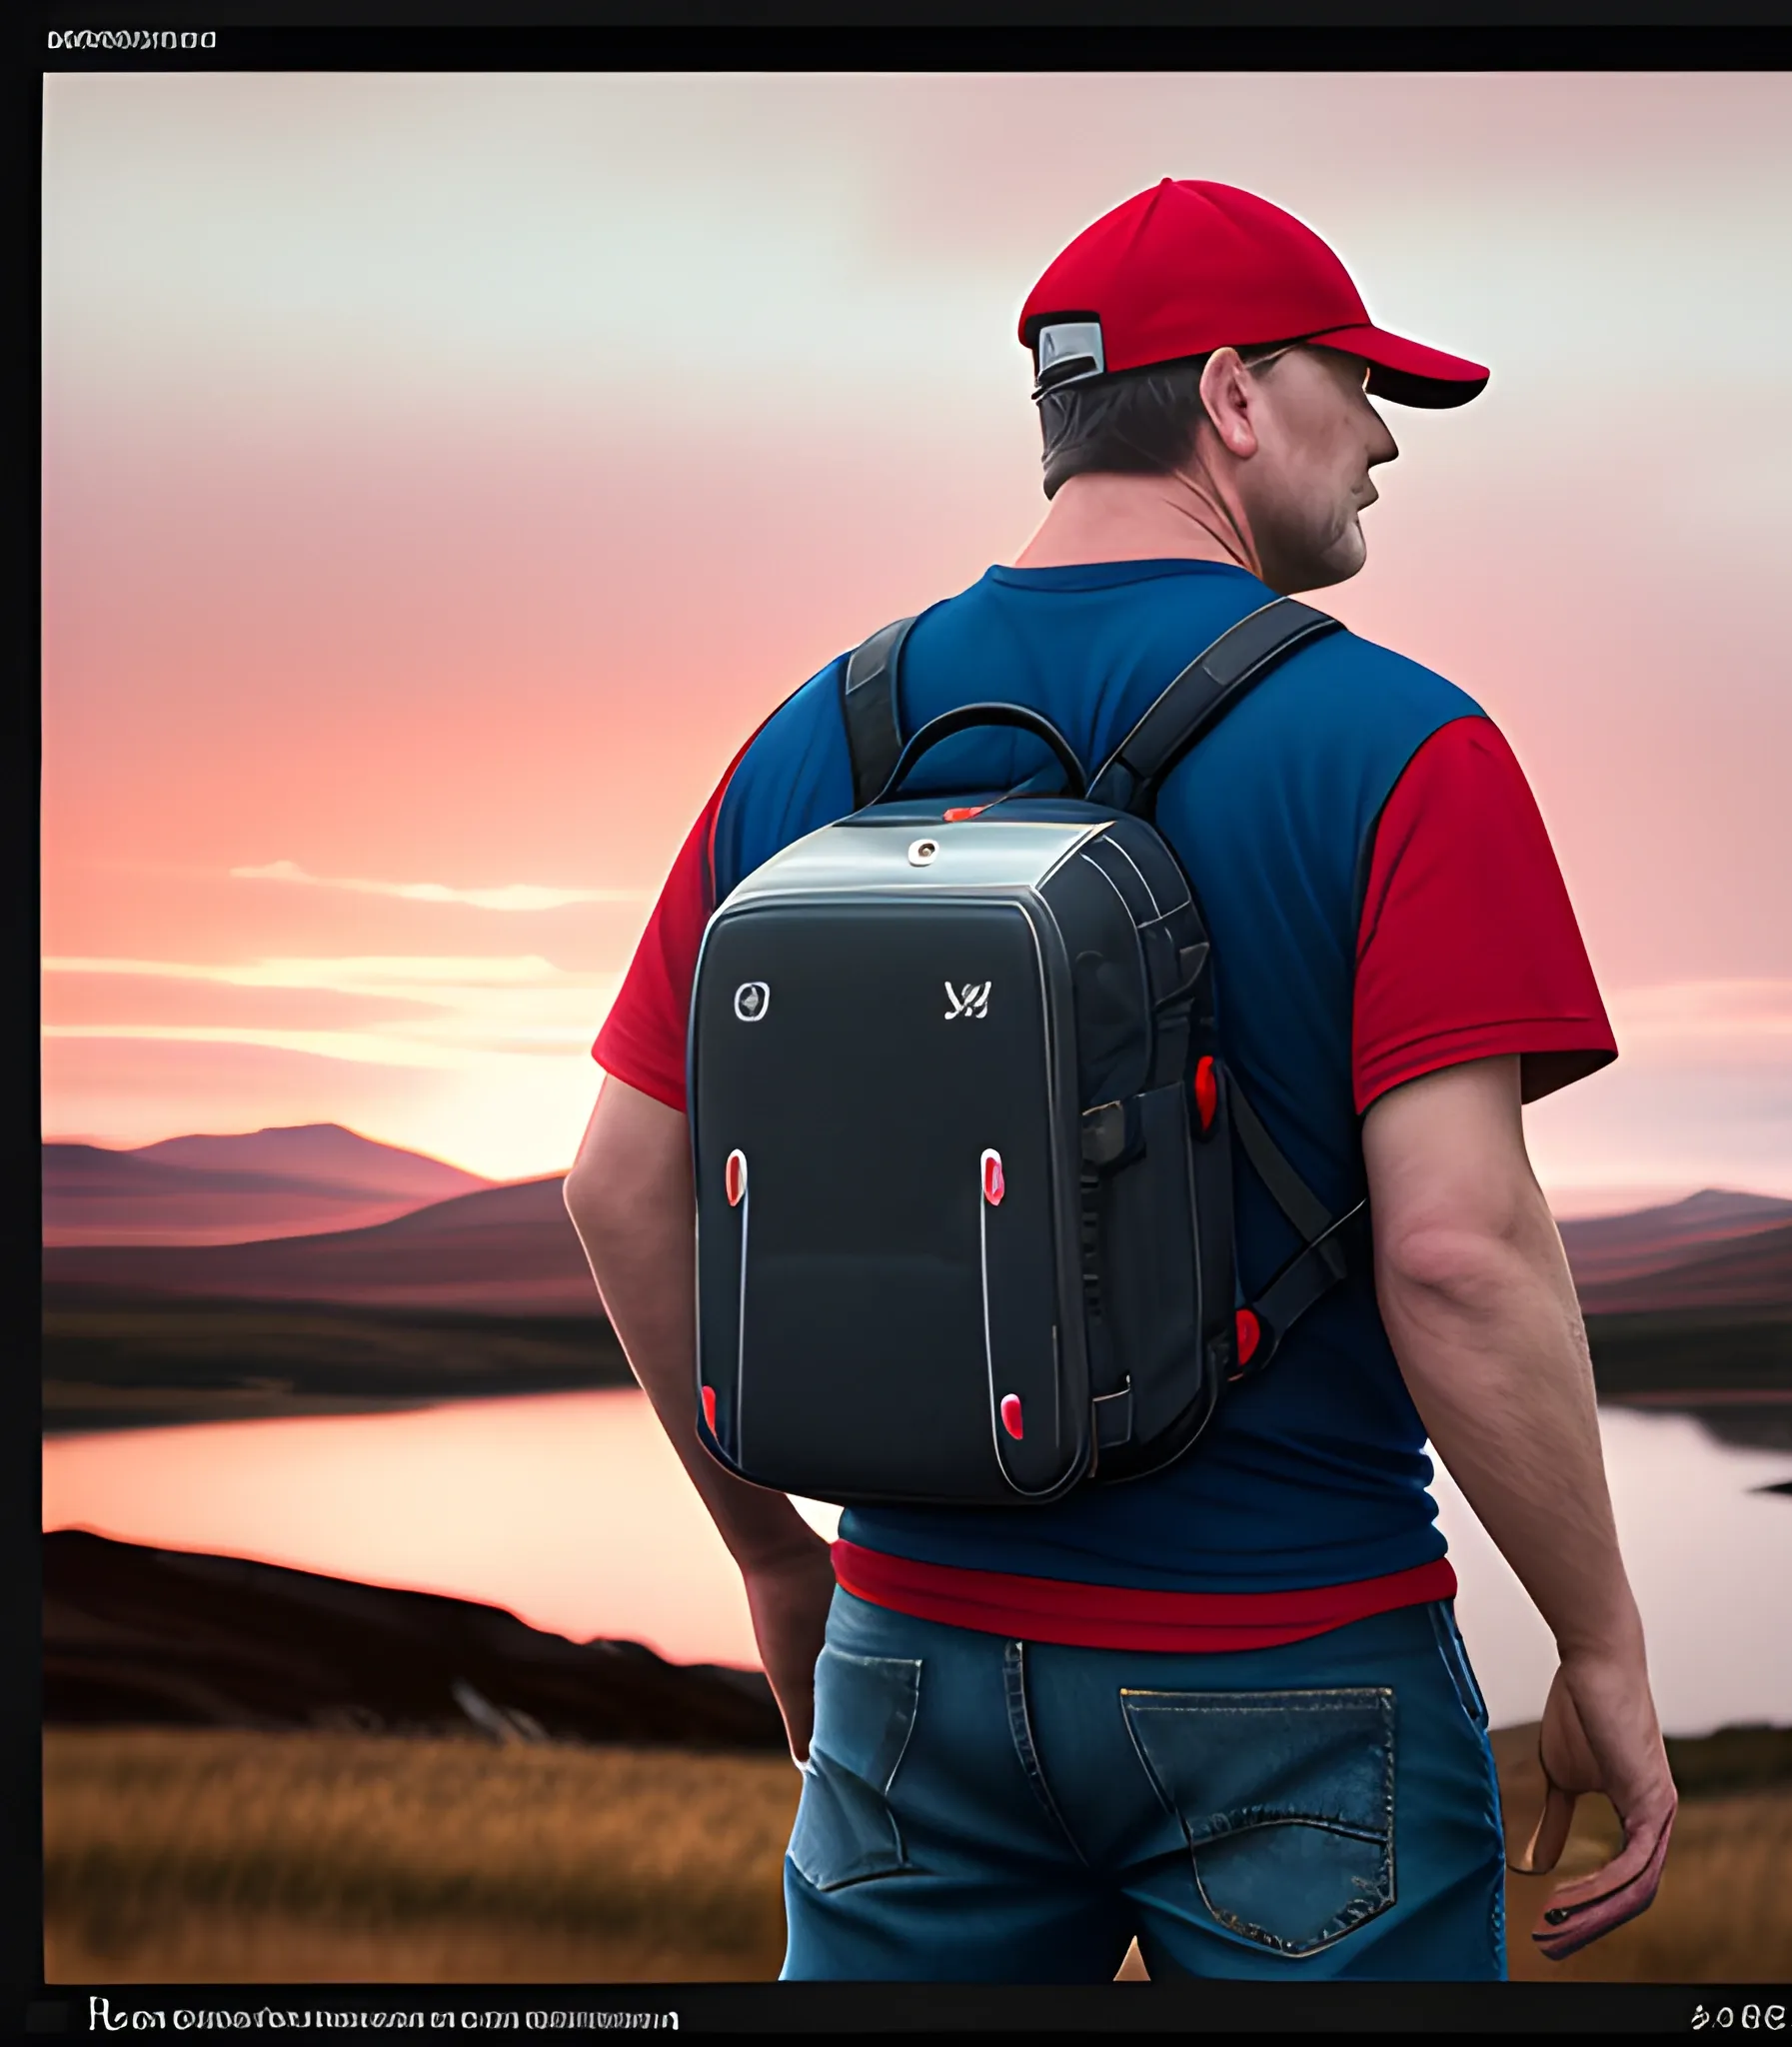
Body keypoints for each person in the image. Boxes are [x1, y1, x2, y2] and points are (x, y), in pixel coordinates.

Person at [564, 177, 1676, 1982]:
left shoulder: (813, 736)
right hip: (1296, 1664)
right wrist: (1602, 1643)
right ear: (1234, 396)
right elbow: (1459, 1253)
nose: (1385, 437)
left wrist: (782, 1568)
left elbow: (618, 1186)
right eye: (1358, 384)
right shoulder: (1409, 748)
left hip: (907, 1665)